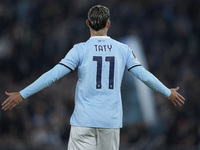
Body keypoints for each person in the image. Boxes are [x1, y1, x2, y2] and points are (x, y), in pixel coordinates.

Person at [1, 5, 185, 150]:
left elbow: (53, 75)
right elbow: (144, 76)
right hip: (110, 122)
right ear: (108, 24)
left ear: (87, 23)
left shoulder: (79, 49)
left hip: (84, 121)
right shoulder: (123, 49)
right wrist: (167, 92)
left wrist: (22, 94)